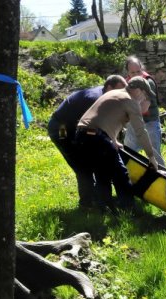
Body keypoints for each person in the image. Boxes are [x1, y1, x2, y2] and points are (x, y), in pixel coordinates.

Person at [75, 76, 159, 212]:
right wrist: (151, 157)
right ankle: (129, 209)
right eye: (144, 95)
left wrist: (113, 140)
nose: (143, 98)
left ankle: (102, 208)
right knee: (120, 174)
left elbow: (103, 117)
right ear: (138, 90)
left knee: (102, 174)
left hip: (81, 135)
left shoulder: (113, 93)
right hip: (97, 137)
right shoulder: (130, 101)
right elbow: (141, 131)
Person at [48, 75, 127, 207]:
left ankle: (96, 199)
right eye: (119, 91)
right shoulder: (94, 99)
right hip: (61, 129)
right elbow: (91, 128)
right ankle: (87, 204)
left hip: (75, 128)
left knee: (91, 160)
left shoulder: (105, 96)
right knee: (82, 166)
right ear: (109, 87)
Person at [123, 56, 165, 167]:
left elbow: (144, 108)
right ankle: (128, 179)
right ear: (127, 72)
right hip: (133, 123)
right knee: (127, 153)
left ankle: (164, 179)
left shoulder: (148, 83)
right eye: (133, 73)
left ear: (142, 69)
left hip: (150, 123)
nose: (137, 75)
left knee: (155, 158)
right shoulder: (126, 83)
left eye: (138, 71)